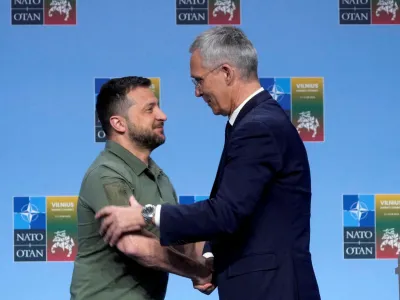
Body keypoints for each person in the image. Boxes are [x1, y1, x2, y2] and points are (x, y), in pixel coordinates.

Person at [95, 27, 321, 300]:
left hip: (272, 290)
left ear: (226, 72)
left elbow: (226, 213)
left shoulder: (258, 127)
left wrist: (145, 214)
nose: (197, 92)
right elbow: (248, 211)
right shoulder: (254, 122)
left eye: (199, 81)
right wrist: (211, 253)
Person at [69, 76, 213, 300]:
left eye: (158, 106)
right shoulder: (106, 173)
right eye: (149, 109)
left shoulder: (160, 177)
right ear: (119, 124)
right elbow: (136, 245)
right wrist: (199, 272)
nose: (162, 115)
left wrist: (223, 261)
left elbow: (183, 243)